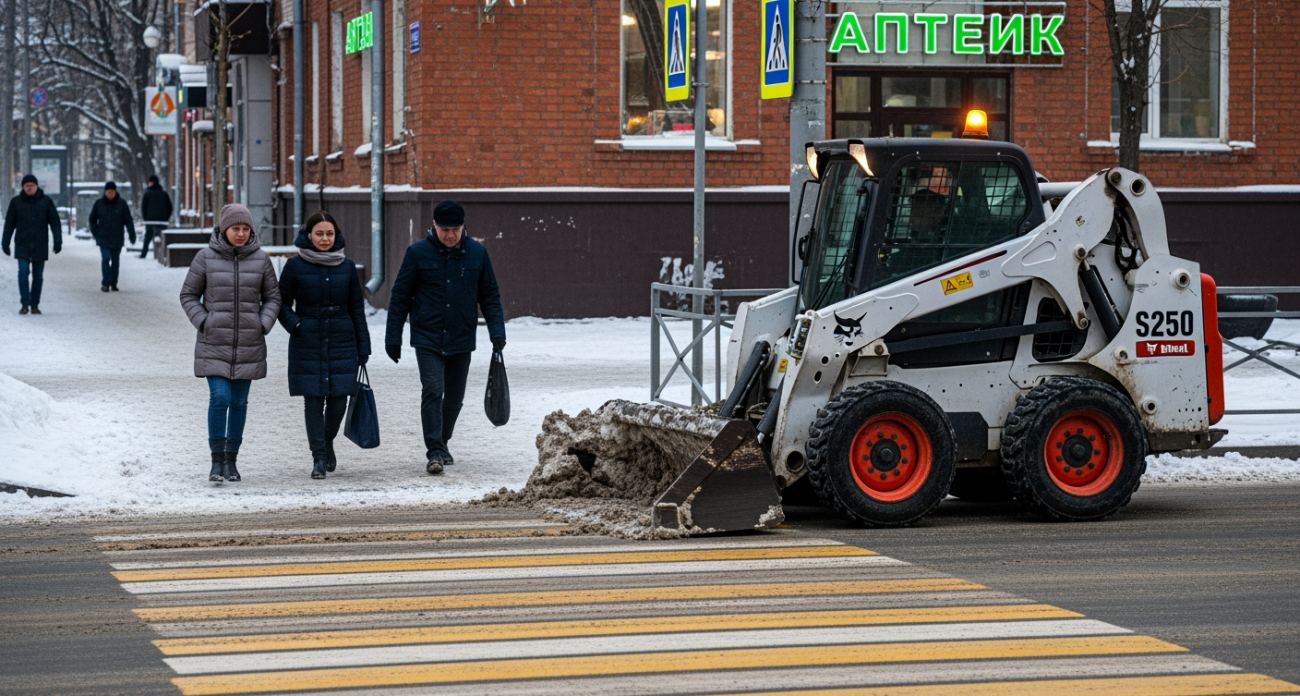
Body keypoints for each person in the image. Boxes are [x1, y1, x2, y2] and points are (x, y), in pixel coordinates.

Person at [385, 200, 505, 475]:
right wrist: (394, 336)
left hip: (462, 335)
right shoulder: (417, 253)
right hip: (427, 335)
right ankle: (434, 451)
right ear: (434, 227)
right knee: (432, 390)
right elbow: (400, 296)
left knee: (454, 397)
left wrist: (497, 332)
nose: (450, 235)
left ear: (463, 227)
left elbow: (490, 296)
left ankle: (443, 441)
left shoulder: (477, 253)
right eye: (445, 229)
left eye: (456, 229)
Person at [179, 204, 281, 483]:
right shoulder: (205, 258)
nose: (241, 234)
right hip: (215, 342)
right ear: (224, 229)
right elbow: (188, 294)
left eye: (246, 229)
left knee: (238, 401)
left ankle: (231, 461)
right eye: (236, 228)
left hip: (248, 343)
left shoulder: (261, 260)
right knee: (219, 397)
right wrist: (204, 321)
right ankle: (216, 461)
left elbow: (273, 297)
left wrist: (263, 323)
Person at [277, 211, 371, 479]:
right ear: (309, 235)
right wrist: (296, 324)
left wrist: (363, 346)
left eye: (329, 233)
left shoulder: (347, 266)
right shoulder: (295, 266)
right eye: (319, 233)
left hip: (343, 339)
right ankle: (318, 457)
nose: (325, 238)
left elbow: (356, 308)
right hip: (308, 339)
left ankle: (327, 441)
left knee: (339, 401)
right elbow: (280, 303)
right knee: (314, 401)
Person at [2, 174, 62, 315]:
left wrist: (58, 240)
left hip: (40, 243)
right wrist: (5, 242)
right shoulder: (16, 202)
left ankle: (34, 304)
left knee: (38, 276)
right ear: (23, 187)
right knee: (23, 273)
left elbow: (55, 222)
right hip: (22, 243)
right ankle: (25, 303)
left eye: (32, 185)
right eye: (27, 185)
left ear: (37, 186)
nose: (29, 188)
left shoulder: (46, 202)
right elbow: (9, 224)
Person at [88, 181, 136, 291]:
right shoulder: (99, 204)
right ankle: (105, 283)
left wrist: (132, 235)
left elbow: (128, 220)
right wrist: (95, 232)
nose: (110, 194)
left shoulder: (122, 204)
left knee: (115, 262)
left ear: (115, 192)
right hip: (103, 237)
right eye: (108, 192)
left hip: (117, 237)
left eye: (112, 192)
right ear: (105, 192)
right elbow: (92, 219)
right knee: (105, 258)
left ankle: (113, 283)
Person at [139, 174, 174, 259]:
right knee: (163, 237)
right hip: (162, 220)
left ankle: (144, 253)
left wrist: (146, 218)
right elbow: (169, 207)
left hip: (150, 220)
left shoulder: (147, 194)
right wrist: (166, 217)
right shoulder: (163, 193)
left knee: (148, 237)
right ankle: (164, 254)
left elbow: (143, 207)